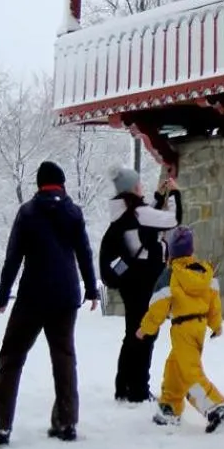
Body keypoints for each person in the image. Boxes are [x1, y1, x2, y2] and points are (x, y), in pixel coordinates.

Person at [0, 159, 100, 445]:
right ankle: (66, 422)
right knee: (64, 357)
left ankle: (0, 423)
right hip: (65, 296)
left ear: (39, 185)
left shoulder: (28, 212)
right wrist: (91, 289)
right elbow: (84, 253)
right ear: (62, 184)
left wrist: (3, 295)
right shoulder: (73, 212)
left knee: (11, 357)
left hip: (32, 296)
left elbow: (13, 256)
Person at [98, 165, 182, 402]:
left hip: (128, 279)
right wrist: (174, 194)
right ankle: (138, 390)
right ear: (134, 187)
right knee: (145, 331)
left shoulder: (122, 211)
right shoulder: (137, 213)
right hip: (143, 279)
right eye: (139, 184)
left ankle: (124, 386)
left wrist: (157, 198)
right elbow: (172, 219)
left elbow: (144, 225)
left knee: (132, 332)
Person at [136, 226, 224, 432]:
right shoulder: (204, 271)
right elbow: (214, 304)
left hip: (182, 327)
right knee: (175, 366)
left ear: (171, 251)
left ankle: (216, 407)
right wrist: (216, 325)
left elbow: (158, 306)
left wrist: (145, 328)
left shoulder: (170, 274)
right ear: (191, 249)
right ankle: (169, 406)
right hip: (199, 327)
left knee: (189, 372)